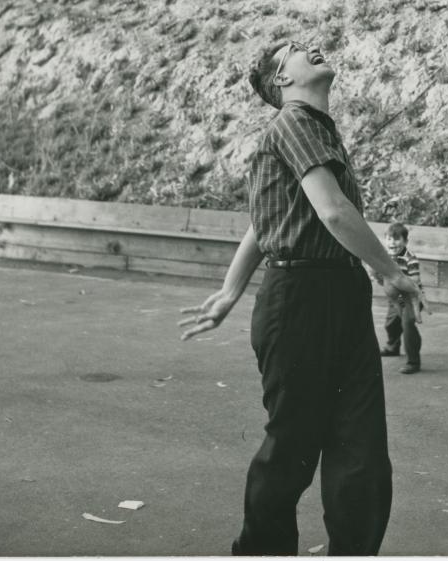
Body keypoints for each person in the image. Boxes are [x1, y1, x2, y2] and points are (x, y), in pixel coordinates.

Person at [179, 39, 421, 557]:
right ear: (282, 80)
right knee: (292, 450)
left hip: (340, 293)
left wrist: (229, 291)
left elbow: (266, 219)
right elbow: (333, 211)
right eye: (294, 48)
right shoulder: (293, 123)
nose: (311, 46)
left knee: (362, 453)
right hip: (299, 300)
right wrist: (391, 272)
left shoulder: (317, 131)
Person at [376, 221, 424, 374]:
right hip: (396, 299)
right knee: (391, 324)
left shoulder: (410, 258)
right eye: (389, 239)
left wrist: (398, 281)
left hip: (412, 299)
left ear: (405, 241)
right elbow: (381, 278)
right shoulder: (385, 258)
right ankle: (393, 347)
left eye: (397, 239)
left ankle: (413, 361)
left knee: (407, 324)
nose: (392, 242)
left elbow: (415, 280)